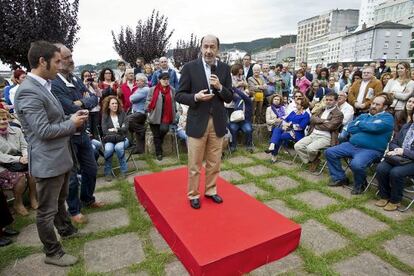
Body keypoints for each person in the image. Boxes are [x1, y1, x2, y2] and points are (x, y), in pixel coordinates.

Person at [14, 41, 89, 266]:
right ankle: (52, 252)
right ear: (42, 61)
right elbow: (43, 131)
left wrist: (70, 118)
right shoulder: (28, 91)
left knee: (61, 200)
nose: (60, 65)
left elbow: (52, 121)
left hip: (60, 156)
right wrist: (72, 123)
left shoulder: (44, 85)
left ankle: (66, 230)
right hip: (47, 161)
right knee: (46, 210)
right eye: (56, 61)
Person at [175, 34, 233, 209]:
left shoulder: (224, 68)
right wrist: (196, 97)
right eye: (205, 46)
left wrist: (220, 88)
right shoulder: (189, 68)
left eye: (212, 47)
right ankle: (193, 194)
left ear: (217, 49)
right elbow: (179, 95)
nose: (208, 50)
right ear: (200, 48)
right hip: (197, 121)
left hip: (218, 122)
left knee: (215, 161)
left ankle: (211, 190)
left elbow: (229, 96)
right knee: (195, 163)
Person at [52, 44, 103, 225]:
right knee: (72, 177)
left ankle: (87, 198)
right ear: (57, 61)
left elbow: (94, 98)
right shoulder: (55, 84)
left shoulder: (74, 78)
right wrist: (82, 102)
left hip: (82, 133)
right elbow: (69, 107)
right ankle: (74, 210)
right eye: (66, 57)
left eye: (71, 55)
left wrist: (80, 101)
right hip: (67, 136)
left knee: (91, 168)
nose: (71, 59)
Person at [326, 94, 394, 194]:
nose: (373, 106)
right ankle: (340, 178)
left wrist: (360, 124)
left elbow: (375, 128)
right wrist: (369, 125)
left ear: (384, 107)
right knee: (330, 152)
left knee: (357, 164)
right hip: (352, 145)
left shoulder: (388, 118)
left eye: (377, 104)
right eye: (373, 103)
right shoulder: (363, 115)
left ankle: (360, 184)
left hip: (372, 150)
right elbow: (350, 128)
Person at [0, 108, 38, 216]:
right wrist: (18, 159)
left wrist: (25, 155)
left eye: (4, 118)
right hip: (3, 164)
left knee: (32, 170)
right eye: (0, 119)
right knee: (20, 177)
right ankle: (18, 203)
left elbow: (24, 145)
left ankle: (33, 197)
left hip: (18, 161)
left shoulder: (16, 130)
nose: (2, 121)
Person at [294, 92, 343, 172]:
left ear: (336, 101)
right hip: (313, 134)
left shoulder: (339, 114)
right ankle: (313, 160)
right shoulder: (321, 109)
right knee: (297, 146)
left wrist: (317, 124)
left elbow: (330, 126)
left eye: (331, 100)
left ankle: (313, 159)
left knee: (310, 149)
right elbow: (312, 119)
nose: (328, 101)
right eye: (326, 100)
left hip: (326, 137)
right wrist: (324, 121)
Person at [375, 112, 414, 211]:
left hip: (411, 160)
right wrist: (397, 150)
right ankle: (384, 196)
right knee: (381, 168)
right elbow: (393, 142)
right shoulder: (406, 126)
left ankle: (395, 200)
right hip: (398, 157)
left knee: (396, 172)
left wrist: (404, 152)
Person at [265, 97, 310, 163]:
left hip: (296, 134)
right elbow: (285, 119)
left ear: (302, 106)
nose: (296, 105)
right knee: (277, 129)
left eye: (298, 104)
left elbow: (301, 127)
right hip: (287, 130)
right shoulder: (294, 112)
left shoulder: (306, 115)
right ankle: (272, 145)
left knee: (279, 136)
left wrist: (290, 126)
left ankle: (273, 153)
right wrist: (285, 124)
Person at [145, 72, 176, 161]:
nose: (166, 81)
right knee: (156, 135)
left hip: (166, 116)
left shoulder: (172, 90)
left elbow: (174, 102)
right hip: (154, 115)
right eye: (164, 79)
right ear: (159, 80)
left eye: (167, 79)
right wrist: (149, 108)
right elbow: (148, 100)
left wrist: (176, 112)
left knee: (163, 130)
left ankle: (158, 142)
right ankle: (159, 153)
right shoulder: (153, 89)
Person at [101, 96, 129, 181]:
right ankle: (107, 173)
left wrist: (116, 129)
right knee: (109, 149)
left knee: (118, 148)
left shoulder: (122, 113)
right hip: (110, 139)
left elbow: (126, 128)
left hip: (122, 138)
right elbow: (105, 131)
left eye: (116, 103)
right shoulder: (105, 115)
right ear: (108, 106)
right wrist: (119, 130)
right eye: (112, 104)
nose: (115, 105)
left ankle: (123, 171)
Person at [128, 73, 150, 154]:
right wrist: (132, 96)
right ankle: (140, 149)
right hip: (137, 112)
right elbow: (131, 97)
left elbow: (132, 99)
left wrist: (132, 96)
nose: (135, 82)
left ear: (143, 81)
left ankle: (142, 130)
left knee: (128, 120)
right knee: (137, 132)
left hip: (141, 113)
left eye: (137, 80)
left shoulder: (145, 89)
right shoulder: (139, 89)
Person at [228, 88, 253, 153]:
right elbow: (231, 95)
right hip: (235, 121)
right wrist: (228, 87)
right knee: (233, 129)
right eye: (245, 92)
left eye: (247, 93)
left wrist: (234, 87)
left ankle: (249, 146)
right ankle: (233, 146)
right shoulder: (238, 100)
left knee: (248, 130)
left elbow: (242, 95)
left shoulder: (249, 101)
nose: (245, 93)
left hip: (245, 121)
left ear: (249, 95)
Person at [80, 70, 102, 139]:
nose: (87, 78)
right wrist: (84, 85)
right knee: (89, 129)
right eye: (85, 76)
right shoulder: (81, 86)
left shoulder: (93, 85)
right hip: (87, 111)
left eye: (89, 76)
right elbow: (83, 98)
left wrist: (96, 87)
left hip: (96, 110)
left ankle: (98, 144)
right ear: (82, 77)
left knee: (96, 129)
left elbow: (100, 95)